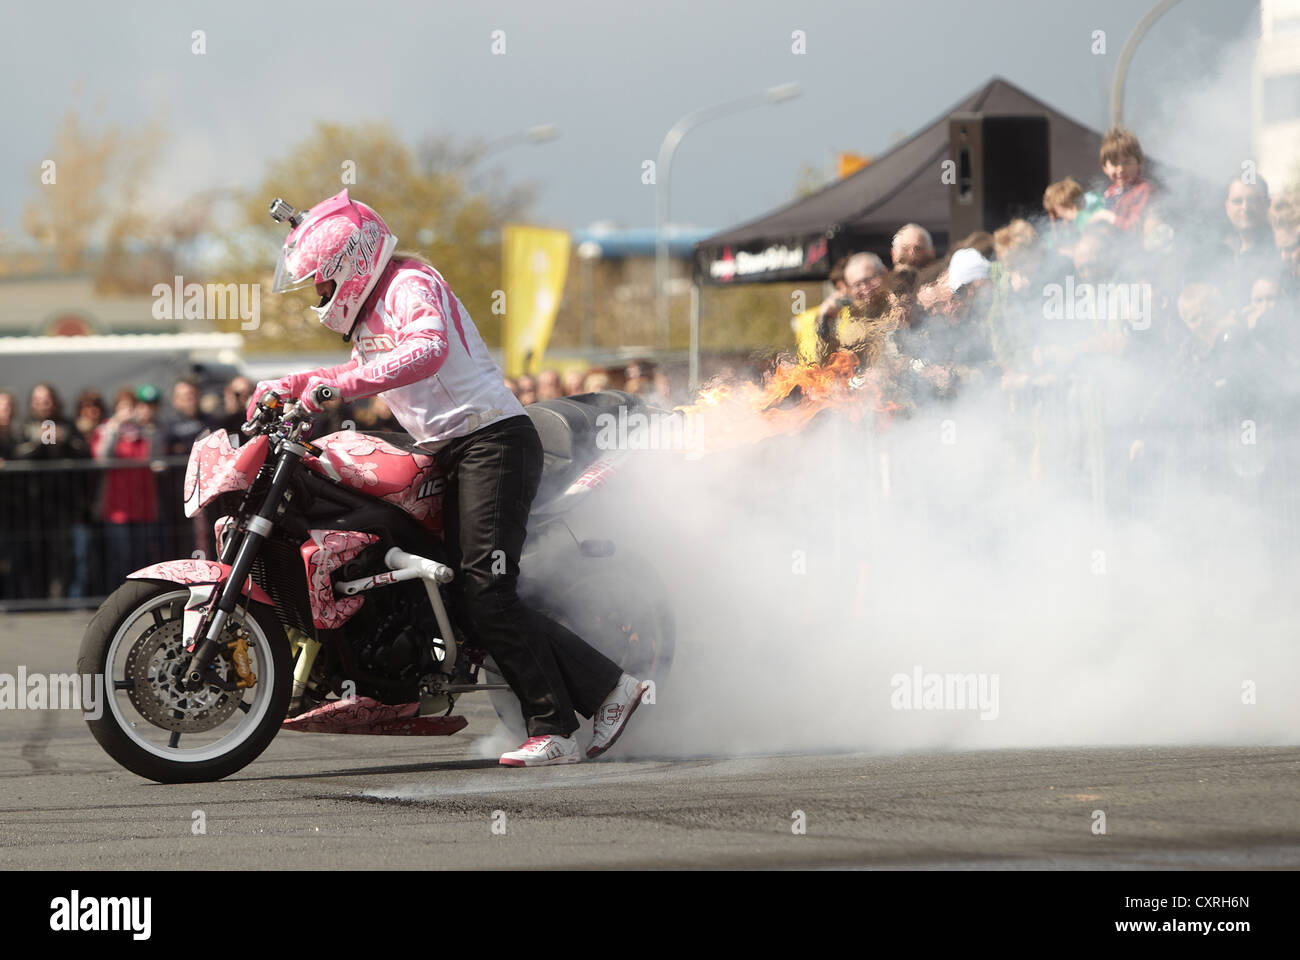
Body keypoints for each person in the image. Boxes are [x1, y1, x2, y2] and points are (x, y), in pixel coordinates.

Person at [249, 189, 647, 766]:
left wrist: (338, 388)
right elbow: (363, 369)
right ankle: (611, 688)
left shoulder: (411, 283)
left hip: (492, 441)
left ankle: (557, 728)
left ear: (349, 264)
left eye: (320, 280)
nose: (318, 293)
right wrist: (292, 382)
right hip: (447, 450)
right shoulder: (370, 312)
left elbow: (428, 348)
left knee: (488, 592)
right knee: (465, 596)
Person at [1100, 127, 1153, 233]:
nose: (1121, 169)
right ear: (1105, 168)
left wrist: (1110, 218)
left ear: (1139, 163)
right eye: (1114, 164)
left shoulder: (1143, 189)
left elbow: (1137, 227)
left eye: (1127, 162)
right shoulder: (1110, 192)